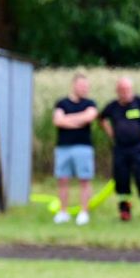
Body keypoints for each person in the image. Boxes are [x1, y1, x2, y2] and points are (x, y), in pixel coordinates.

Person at [100, 77, 140, 222]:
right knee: (122, 180)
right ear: (117, 91)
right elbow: (102, 117)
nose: (125, 93)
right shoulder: (113, 106)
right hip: (120, 149)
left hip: (138, 148)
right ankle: (125, 210)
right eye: (122, 90)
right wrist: (110, 131)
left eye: (128, 90)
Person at [51, 72, 98, 225]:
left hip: (83, 147)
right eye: (81, 85)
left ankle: (83, 212)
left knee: (84, 180)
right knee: (63, 180)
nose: (84, 88)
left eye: (86, 86)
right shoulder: (62, 103)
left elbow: (89, 117)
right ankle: (63, 212)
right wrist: (79, 120)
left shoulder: (90, 103)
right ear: (74, 85)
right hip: (63, 147)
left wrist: (68, 119)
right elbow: (58, 121)